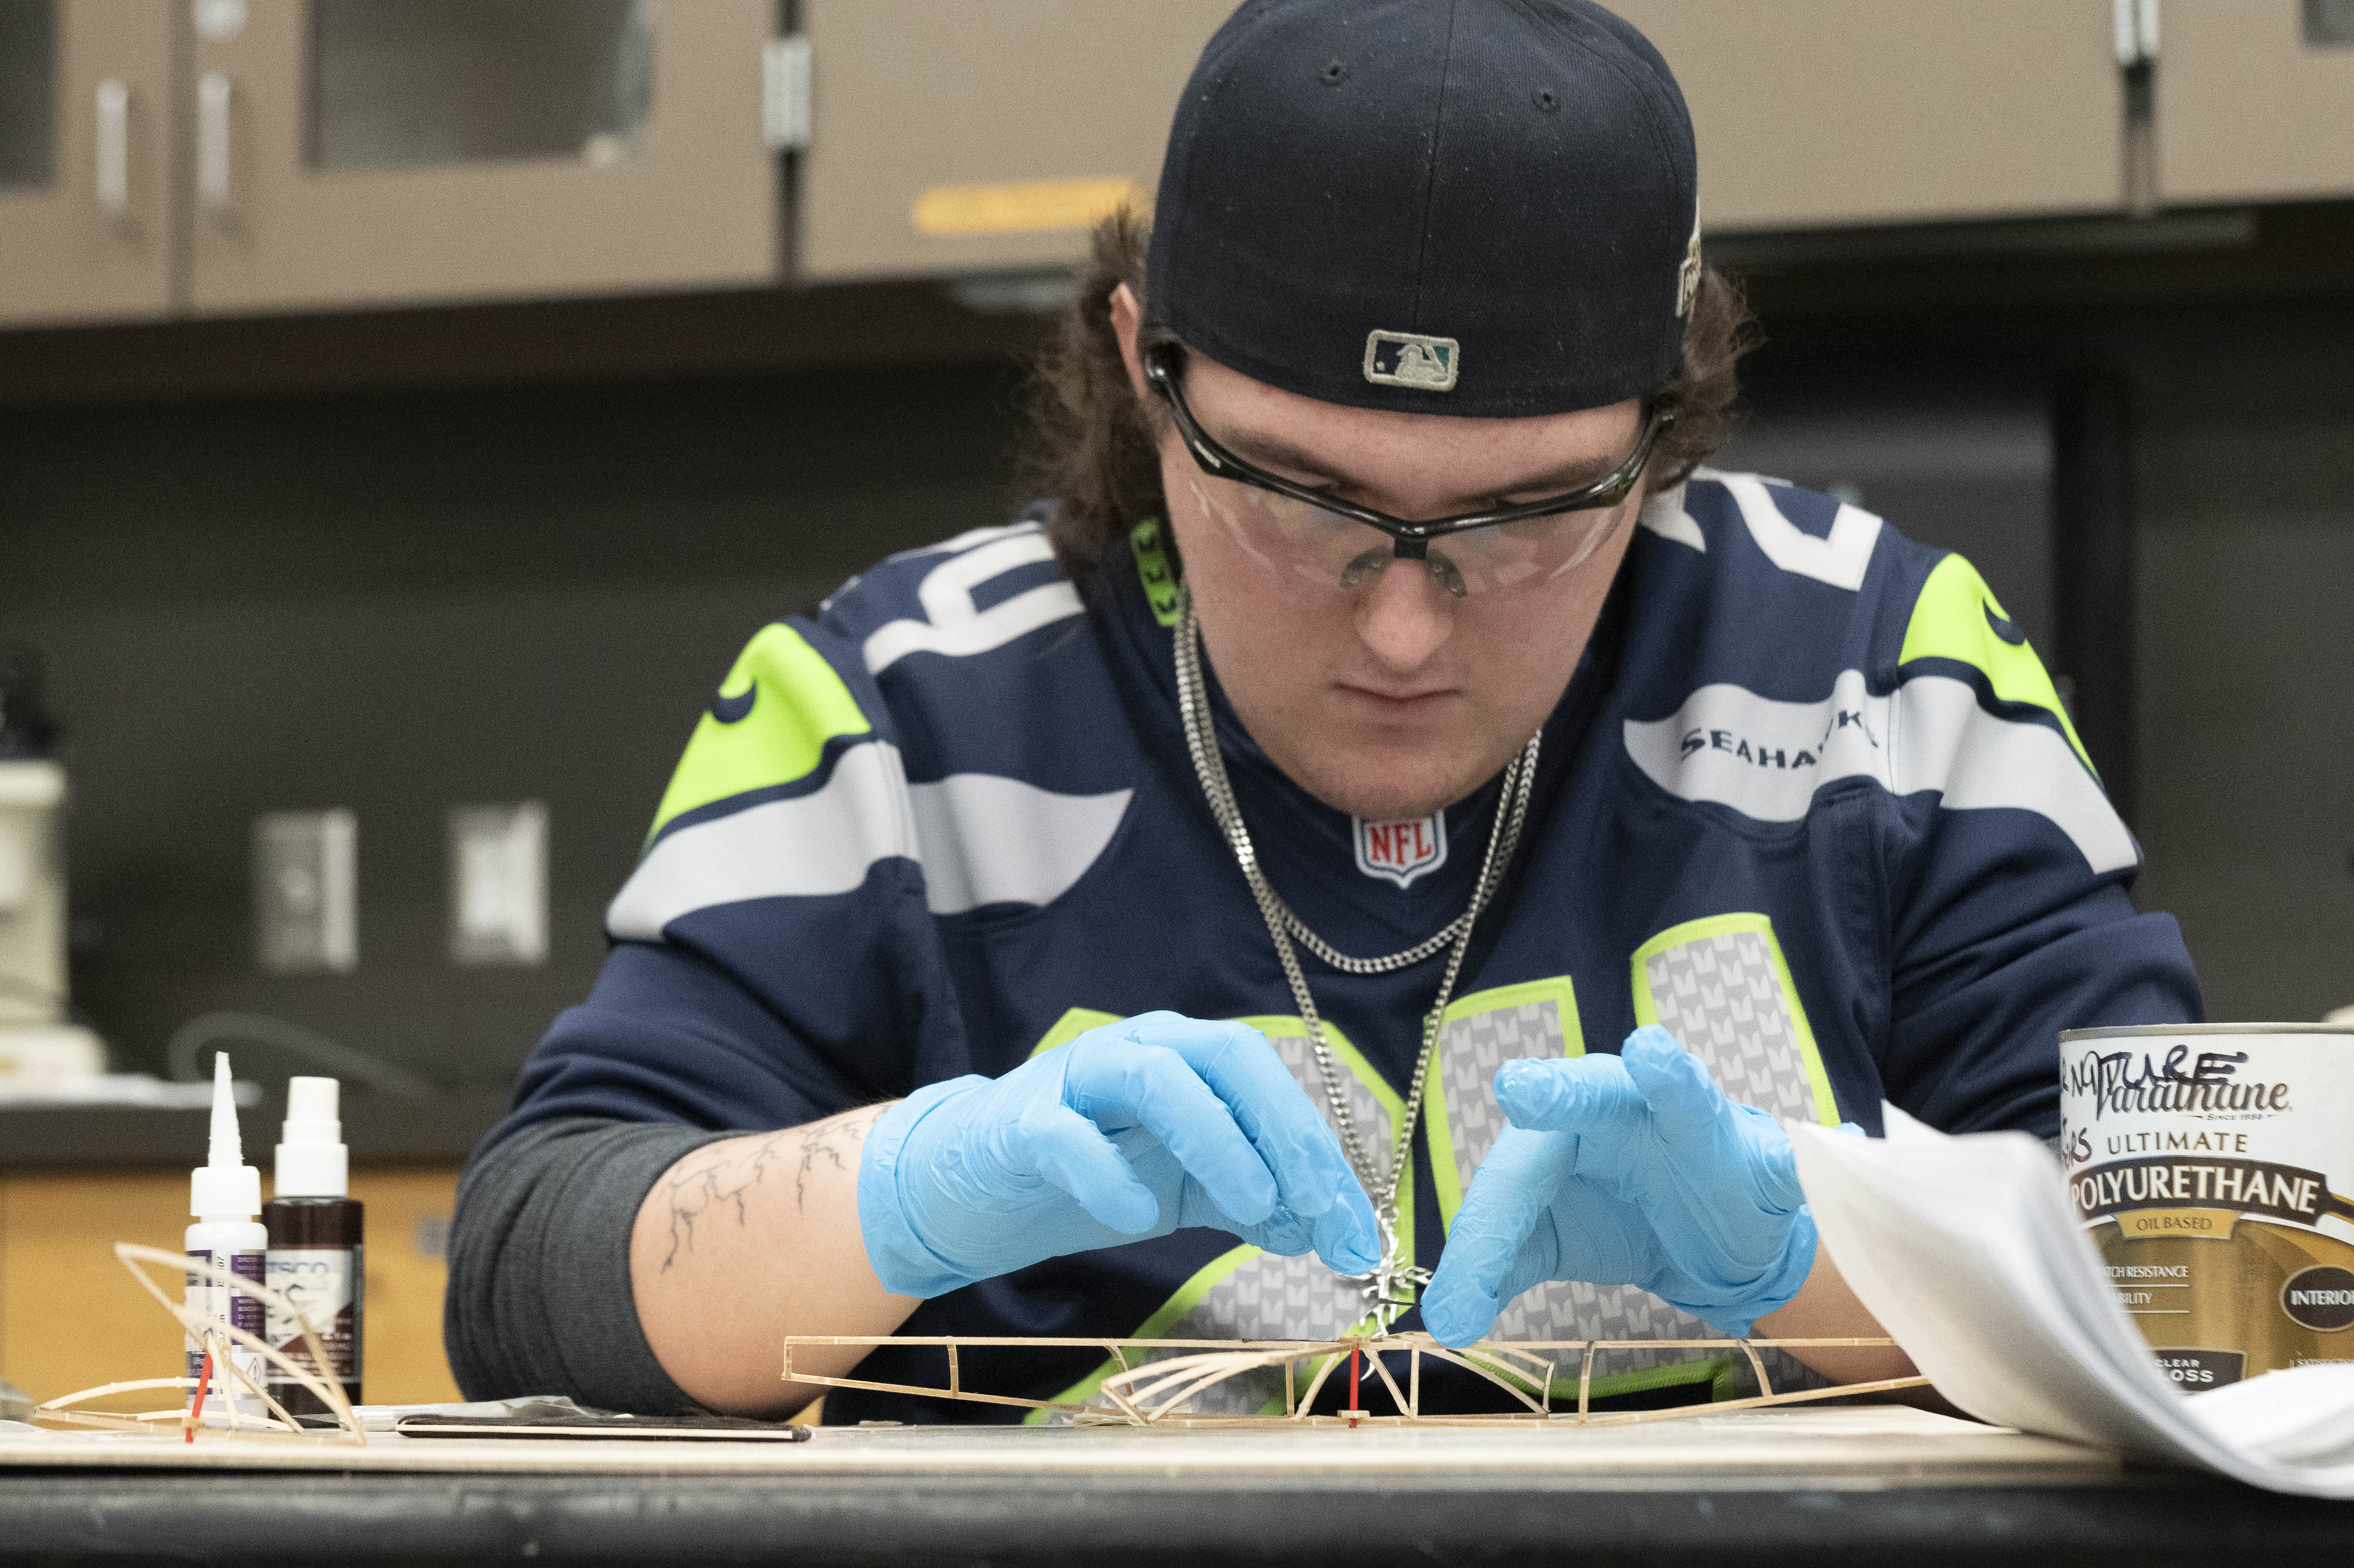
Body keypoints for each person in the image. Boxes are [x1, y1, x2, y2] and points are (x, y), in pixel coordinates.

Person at [445, 0, 2200, 1421]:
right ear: (1147, 373)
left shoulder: (1885, 673)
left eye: (1523, 518)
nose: (1407, 621)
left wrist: (1803, 1254)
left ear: (1660, 434)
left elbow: (2195, 1274)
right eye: (1300, 503)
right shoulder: (891, 720)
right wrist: (899, 1190)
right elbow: (528, 1270)